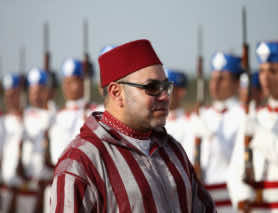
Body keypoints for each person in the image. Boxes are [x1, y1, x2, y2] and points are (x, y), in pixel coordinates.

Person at [50, 39, 216, 213]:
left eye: (166, 87)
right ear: (117, 93)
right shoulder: (81, 162)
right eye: (152, 87)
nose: (165, 97)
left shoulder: (173, 151)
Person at [227, 40, 278, 212]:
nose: (265, 78)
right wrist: (241, 195)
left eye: (273, 71)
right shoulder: (254, 117)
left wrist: (259, 133)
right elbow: (235, 169)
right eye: (262, 71)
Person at [190, 52, 245, 213]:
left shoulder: (243, 115)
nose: (215, 84)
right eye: (213, 78)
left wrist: (211, 137)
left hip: (230, 199)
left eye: (222, 78)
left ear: (236, 83)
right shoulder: (202, 116)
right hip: (202, 198)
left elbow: (236, 159)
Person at [0, 73, 37, 213]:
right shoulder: (2, 122)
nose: (10, 98)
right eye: (7, 94)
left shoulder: (32, 118)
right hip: (5, 189)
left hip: (27, 190)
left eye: (14, 94)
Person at [49, 58, 97, 165]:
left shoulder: (95, 112)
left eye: (72, 81)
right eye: (65, 82)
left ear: (83, 82)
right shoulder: (57, 115)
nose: (67, 86)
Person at [23, 68, 56, 213]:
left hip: (47, 186)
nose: (36, 95)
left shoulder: (54, 115)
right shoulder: (23, 116)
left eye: (39, 91)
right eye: (33, 91)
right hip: (26, 185)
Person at [164, 69, 194, 161]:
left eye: (168, 88)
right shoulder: (152, 121)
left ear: (181, 92)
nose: (163, 92)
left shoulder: (190, 122)